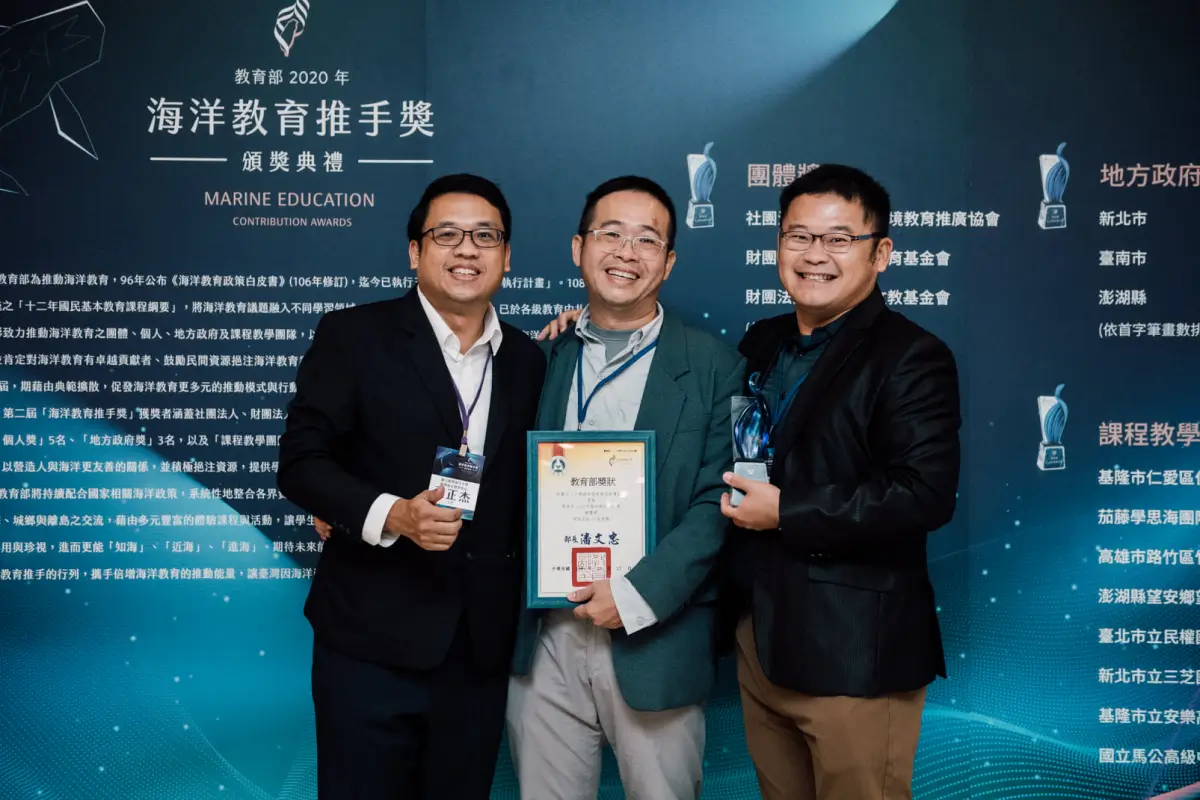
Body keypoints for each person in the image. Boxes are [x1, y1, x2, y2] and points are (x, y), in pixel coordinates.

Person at [276, 173, 547, 799]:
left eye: (485, 236)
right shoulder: (353, 336)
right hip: (369, 641)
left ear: (507, 256)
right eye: (446, 234)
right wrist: (392, 514)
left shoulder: (528, 361)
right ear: (415, 251)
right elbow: (302, 462)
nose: (467, 249)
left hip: (479, 648)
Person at [718, 164, 961, 800]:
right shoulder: (763, 340)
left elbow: (924, 493)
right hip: (760, 638)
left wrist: (787, 511)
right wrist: (590, 330)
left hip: (854, 652)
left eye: (838, 239)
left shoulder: (911, 355)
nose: (814, 255)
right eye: (799, 237)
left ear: (881, 252)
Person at [507, 175, 743, 799]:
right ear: (578, 247)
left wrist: (636, 595)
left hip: (656, 637)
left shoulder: (716, 366)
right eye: (610, 234)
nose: (626, 252)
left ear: (669, 261)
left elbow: (717, 503)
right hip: (545, 637)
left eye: (647, 240)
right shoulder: (538, 359)